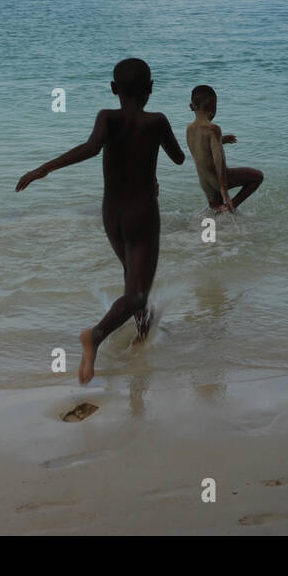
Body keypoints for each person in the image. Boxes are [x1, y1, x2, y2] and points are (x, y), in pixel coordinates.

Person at [16, 58, 185, 382]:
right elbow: (178, 159)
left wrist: (43, 169)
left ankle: (142, 333)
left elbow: (91, 149)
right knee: (136, 292)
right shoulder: (157, 121)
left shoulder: (106, 117)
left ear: (113, 89)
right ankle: (95, 335)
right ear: (151, 88)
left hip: (111, 215)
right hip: (142, 214)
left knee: (131, 278)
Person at [186, 85, 263, 212]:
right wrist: (223, 187)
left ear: (192, 106)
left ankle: (222, 224)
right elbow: (218, 160)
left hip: (205, 181)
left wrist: (220, 141)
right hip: (219, 178)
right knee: (257, 177)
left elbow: (200, 149)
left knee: (216, 212)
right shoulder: (213, 129)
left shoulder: (190, 129)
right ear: (213, 106)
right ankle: (230, 206)